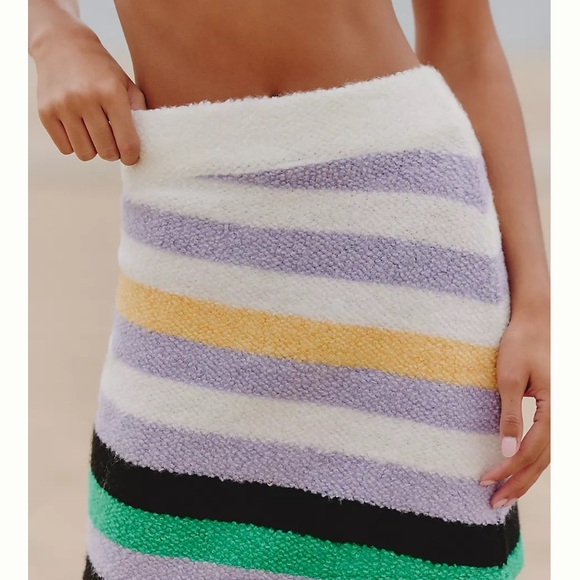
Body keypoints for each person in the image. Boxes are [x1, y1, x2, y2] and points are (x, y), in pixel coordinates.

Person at [29, 1, 550, 579]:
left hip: (409, 233)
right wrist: (53, 32)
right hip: (190, 223)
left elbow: (465, 45)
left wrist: (536, 305)